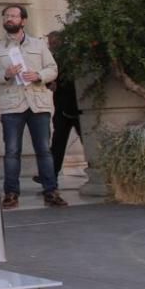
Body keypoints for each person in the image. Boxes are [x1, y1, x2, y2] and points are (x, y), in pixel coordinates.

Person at [0, 5, 67, 208]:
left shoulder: (38, 45)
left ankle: (51, 191)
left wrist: (38, 75)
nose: (9, 19)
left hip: (38, 104)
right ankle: (11, 193)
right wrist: (6, 74)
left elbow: (53, 69)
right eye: (6, 16)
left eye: (14, 16)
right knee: (12, 151)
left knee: (44, 150)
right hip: (12, 105)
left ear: (23, 21)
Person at [45, 31, 81, 180]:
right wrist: (49, 84)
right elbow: (50, 80)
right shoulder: (52, 59)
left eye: (53, 43)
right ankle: (50, 174)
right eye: (50, 43)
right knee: (58, 142)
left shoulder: (70, 58)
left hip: (77, 106)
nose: (51, 46)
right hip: (61, 107)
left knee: (84, 139)